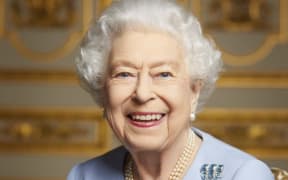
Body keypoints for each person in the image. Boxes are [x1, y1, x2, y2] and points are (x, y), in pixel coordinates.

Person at [67, 0, 274, 179]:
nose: (142, 93)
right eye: (124, 74)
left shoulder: (242, 175)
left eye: (163, 74)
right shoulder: (84, 176)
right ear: (102, 90)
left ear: (194, 91)